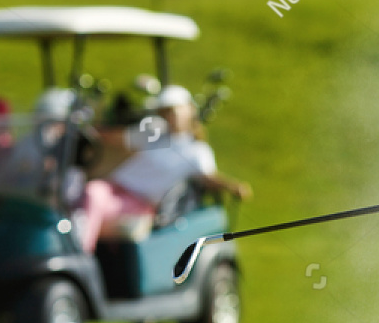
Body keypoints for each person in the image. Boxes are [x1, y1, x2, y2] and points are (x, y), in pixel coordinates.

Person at [79, 84, 251, 252]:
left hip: (140, 202)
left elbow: (207, 177)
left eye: (174, 110)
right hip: (115, 190)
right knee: (82, 195)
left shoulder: (195, 151)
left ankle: (81, 253)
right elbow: (117, 138)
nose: (171, 116)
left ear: (189, 110)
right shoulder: (153, 135)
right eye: (166, 112)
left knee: (93, 194)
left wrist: (232, 186)